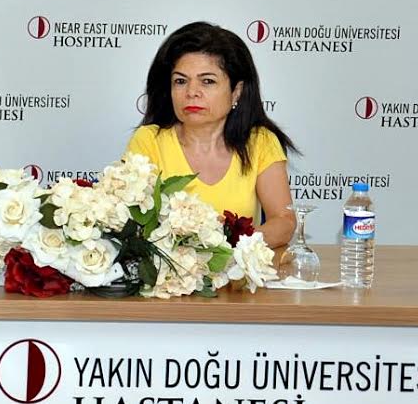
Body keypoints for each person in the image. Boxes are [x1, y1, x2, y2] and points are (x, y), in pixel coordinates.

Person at [126, 21, 296, 248]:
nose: (192, 92)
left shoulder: (260, 142)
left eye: (207, 81)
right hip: (170, 268)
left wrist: (227, 245)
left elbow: (284, 222)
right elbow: (132, 225)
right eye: (180, 81)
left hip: (237, 267)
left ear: (236, 91)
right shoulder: (149, 141)